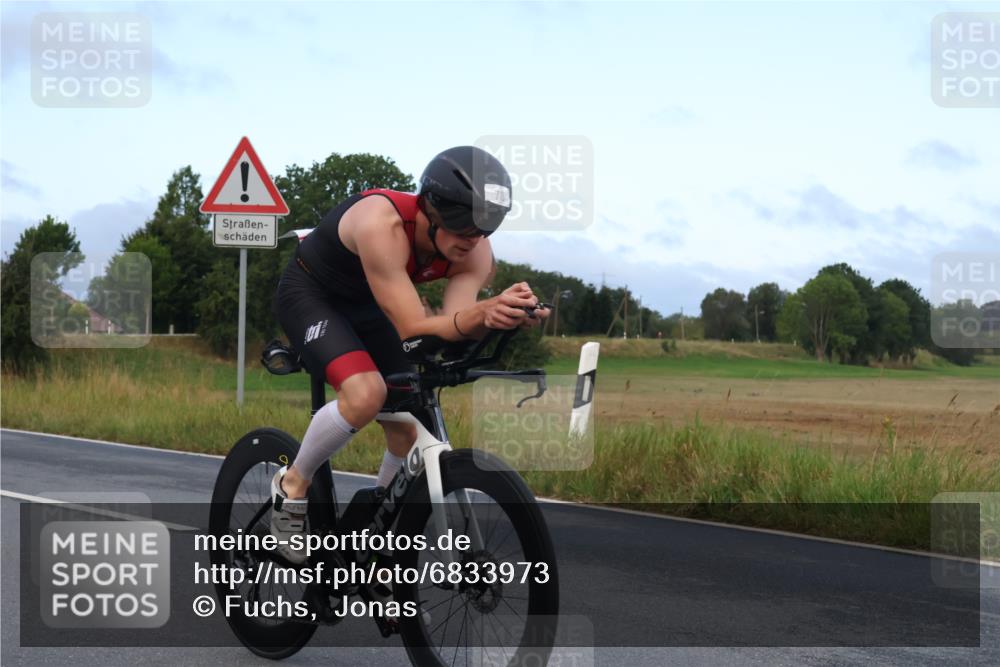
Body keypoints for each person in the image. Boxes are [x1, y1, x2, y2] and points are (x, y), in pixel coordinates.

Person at [269, 146, 549, 563]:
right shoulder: (381, 224)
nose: (471, 240)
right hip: (312, 295)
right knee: (366, 394)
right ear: (430, 211)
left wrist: (496, 317)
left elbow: (452, 326)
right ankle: (292, 484)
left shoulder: (475, 252)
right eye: (462, 228)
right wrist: (479, 314)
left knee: (407, 426)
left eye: (482, 232)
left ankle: (374, 535)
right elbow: (411, 328)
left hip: (368, 307)